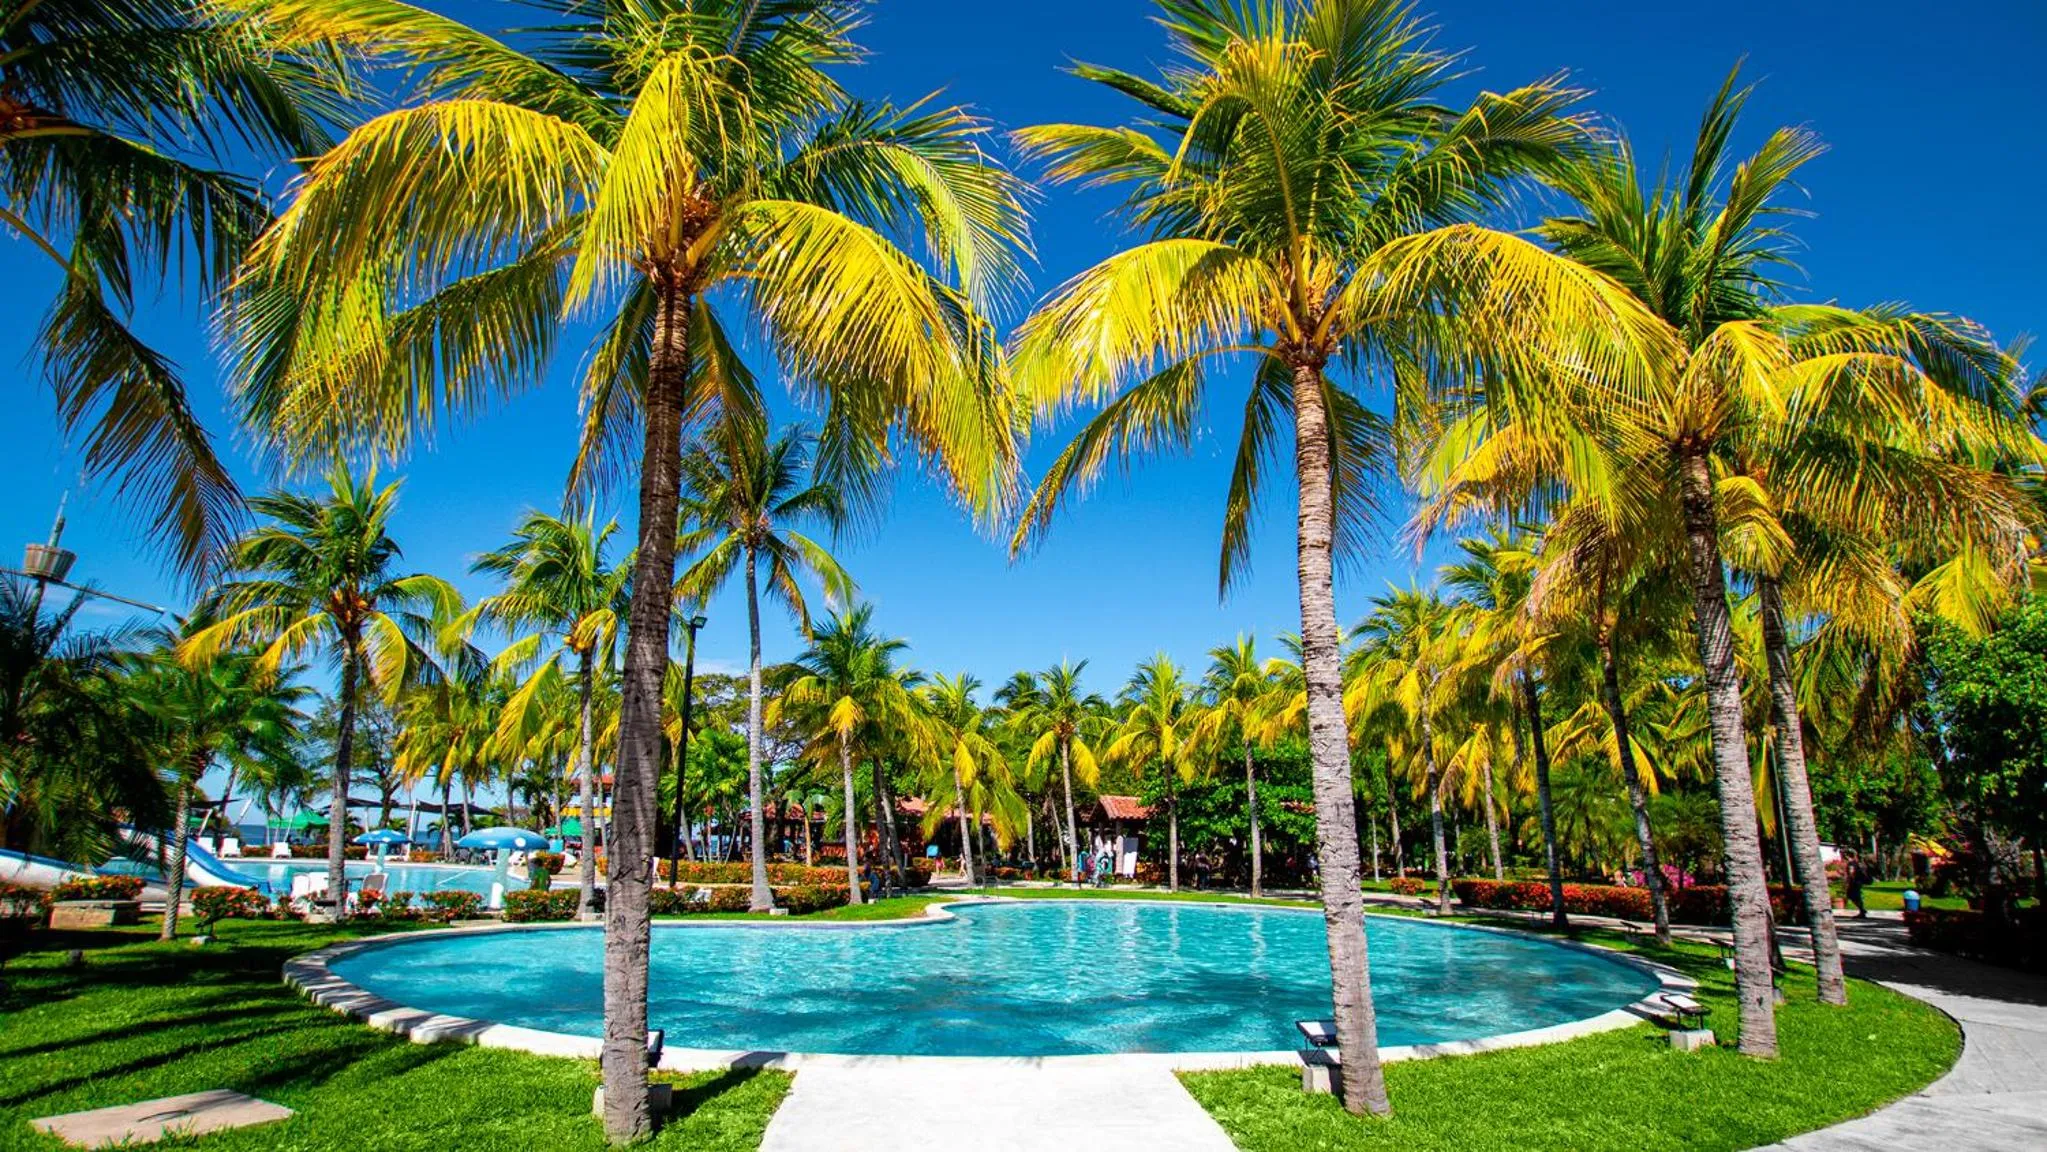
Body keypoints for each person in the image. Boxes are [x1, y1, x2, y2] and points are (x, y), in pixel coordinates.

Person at [1846, 853, 1868, 918]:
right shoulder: (1857, 862)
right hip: (1859, 881)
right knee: (1857, 896)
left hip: (1854, 882)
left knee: (1851, 895)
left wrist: (1850, 880)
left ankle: (1862, 910)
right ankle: (1862, 911)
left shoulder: (1851, 863)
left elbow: (1851, 872)